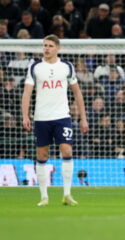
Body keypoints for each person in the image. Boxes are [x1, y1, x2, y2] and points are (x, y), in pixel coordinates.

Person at [21, 34, 89, 206]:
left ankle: (67, 194)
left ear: (57, 48)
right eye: (44, 45)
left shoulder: (66, 66)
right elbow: (27, 92)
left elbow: (77, 93)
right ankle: (44, 197)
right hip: (42, 118)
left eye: (50, 45)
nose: (46, 48)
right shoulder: (35, 67)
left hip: (62, 117)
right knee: (42, 155)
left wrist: (83, 118)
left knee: (67, 151)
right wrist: (25, 115)